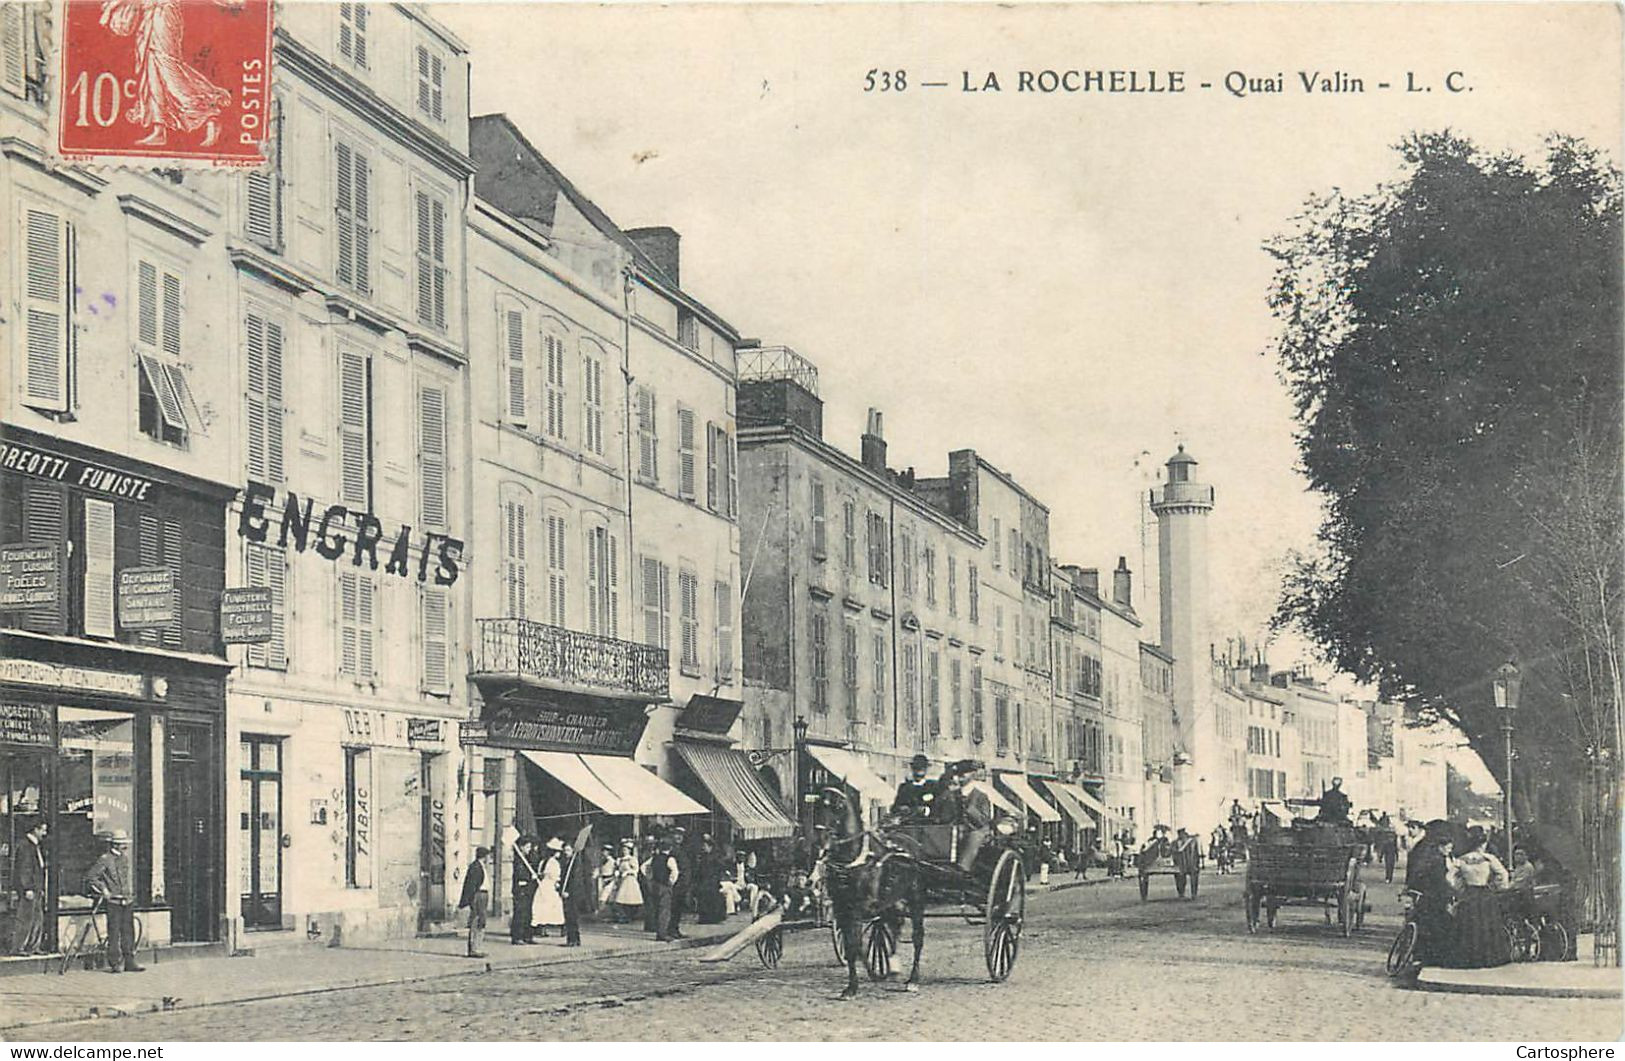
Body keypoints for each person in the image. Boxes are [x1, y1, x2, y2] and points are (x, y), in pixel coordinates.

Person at [1448, 826, 1510, 968]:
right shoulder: (1489, 858)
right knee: (1486, 925)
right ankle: (1488, 958)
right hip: (1485, 893)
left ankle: (1469, 958)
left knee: (1468, 926)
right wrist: (1496, 886)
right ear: (1482, 844)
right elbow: (1503, 874)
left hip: (1469, 893)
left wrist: (1459, 888)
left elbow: (1448, 877)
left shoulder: (1461, 860)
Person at [84, 830, 143, 973]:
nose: (125, 847)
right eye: (123, 844)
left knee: (128, 931)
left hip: (127, 900)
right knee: (114, 932)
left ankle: (129, 961)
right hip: (114, 901)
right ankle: (115, 962)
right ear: (116, 845)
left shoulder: (125, 858)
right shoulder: (105, 859)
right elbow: (91, 877)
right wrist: (104, 889)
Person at [1404, 820, 1455, 965]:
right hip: (1433, 897)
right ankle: (1431, 957)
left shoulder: (1425, 848)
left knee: (1423, 924)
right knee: (1438, 925)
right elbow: (1439, 880)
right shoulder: (1435, 857)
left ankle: (1419, 955)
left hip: (1423, 893)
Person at [9, 818, 47, 956]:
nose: (45, 832)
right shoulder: (25, 846)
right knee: (25, 917)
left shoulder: (35, 845)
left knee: (37, 917)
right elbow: (24, 869)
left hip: (36, 888)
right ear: (35, 830)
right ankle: (18, 947)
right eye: (43, 829)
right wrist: (27, 888)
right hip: (30, 889)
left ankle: (33, 946)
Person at [456, 845, 493, 958]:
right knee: (476, 921)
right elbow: (471, 885)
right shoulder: (475, 867)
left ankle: (478, 947)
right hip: (478, 896)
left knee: (481, 921)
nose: (490, 859)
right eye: (488, 856)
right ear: (484, 857)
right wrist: (469, 900)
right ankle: (474, 949)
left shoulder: (481, 866)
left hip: (483, 895)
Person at [559, 838, 593, 947]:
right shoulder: (566, 862)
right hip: (567, 893)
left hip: (573, 894)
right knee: (569, 917)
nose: (566, 853)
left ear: (573, 851)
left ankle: (573, 940)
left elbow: (576, 880)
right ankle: (573, 940)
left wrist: (568, 892)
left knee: (572, 916)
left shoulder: (575, 864)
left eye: (568, 850)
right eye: (564, 850)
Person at [647, 838, 679, 942]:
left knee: (656, 909)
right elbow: (675, 873)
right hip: (664, 885)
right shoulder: (670, 859)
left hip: (654, 885)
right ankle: (662, 933)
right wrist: (670, 882)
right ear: (670, 848)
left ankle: (658, 931)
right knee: (664, 910)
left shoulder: (654, 858)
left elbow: (644, 868)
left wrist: (650, 879)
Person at [532, 836, 565, 937]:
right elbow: (555, 876)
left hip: (542, 886)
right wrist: (557, 883)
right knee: (555, 907)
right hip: (550, 886)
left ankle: (542, 929)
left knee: (542, 907)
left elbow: (540, 873)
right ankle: (562, 928)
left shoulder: (543, 861)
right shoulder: (554, 863)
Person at [509, 837, 539, 945]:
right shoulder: (518, 860)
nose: (529, 849)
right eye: (527, 847)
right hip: (520, 890)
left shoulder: (527, 859)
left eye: (530, 847)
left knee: (528, 913)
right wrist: (529, 877)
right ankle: (517, 936)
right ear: (521, 847)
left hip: (528, 890)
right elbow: (519, 874)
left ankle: (527, 936)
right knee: (520, 913)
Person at [891, 754, 937, 822]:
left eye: (921, 769)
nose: (918, 772)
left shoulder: (932, 787)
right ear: (912, 769)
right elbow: (894, 808)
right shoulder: (904, 788)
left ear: (926, 769)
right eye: (916, 768)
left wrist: (926, 810)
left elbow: (939, 806)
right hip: (908, 825)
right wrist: (902, 809)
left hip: (929, 824)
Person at [695, 835, 728, 924]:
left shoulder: (715, 856)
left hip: (711, 881)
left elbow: (721, 867)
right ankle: (706, 918)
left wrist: (716, 876)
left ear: (710, 847)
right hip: (705, 880)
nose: (703, 848)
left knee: (712, 900)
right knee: (705, 900)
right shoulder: (703, 856)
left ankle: (712, 918)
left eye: (705, 846)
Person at [609, 839, 643, 923]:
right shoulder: (620, 860)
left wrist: (627, 872)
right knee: (620, 898)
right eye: (623, 850)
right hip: (622, 880)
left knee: (630, 898)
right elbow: (617, 868)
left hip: (630, 880)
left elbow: (636, 870)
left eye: (626, 850)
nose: (624, 851)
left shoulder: (632, 859)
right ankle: (623, 916)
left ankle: (630, 915)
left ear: (629, 850)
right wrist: (617, 872)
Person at [1376, 813, 1400, 883]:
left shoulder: (1385, 835)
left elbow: (1394, 847)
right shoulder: (1390, 835)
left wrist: (1380, 856)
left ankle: (1388, 877)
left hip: (1389, 852)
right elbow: (1395, 846)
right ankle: (1389, 877)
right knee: (1389, 865)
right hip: (1390, 852)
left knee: (1389, 865)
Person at [596, 845, 619, 909]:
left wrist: (612, 879)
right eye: (603, 851)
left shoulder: (613, 861)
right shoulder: (601, 860)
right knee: (600, 896)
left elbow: (616, 872)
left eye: (605, 851)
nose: (603, 852)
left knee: (606, 896)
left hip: (610, 879)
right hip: (602, 879)